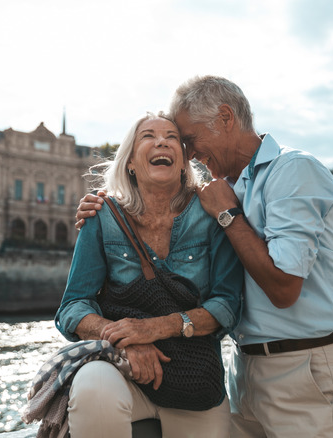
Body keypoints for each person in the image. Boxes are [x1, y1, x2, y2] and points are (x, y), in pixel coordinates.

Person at [76, 77, 333, 438]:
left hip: (305, 368)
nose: (190, 154)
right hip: (246, 369)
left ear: (225, 118)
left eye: (189, 139)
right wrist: (105, 205)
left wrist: (227, 215)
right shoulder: (229, 186)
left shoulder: (294, 171)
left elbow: (285, 289)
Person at [56, 112, 244, 438]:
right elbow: (72, 308)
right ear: (130, 162)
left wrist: (151, 329)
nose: (161, 141)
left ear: (184, 162)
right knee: (92, 389)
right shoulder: (103, 215)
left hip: (196, 381)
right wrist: (123, 341)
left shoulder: (212, 214)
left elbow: (227, 306)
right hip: (122, 371)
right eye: (148, 136)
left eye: (172, 137)